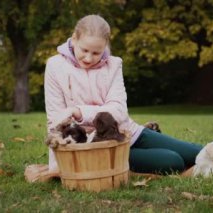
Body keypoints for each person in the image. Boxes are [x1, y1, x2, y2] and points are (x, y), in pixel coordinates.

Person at [44, 14, 202, 176]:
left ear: (105, 46)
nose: (89, 58)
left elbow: (118, 111)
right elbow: (56, 120)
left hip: (128, 132)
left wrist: (78, 112)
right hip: (96, 147)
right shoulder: (55, 66)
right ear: (74, 39)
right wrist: (59, 166)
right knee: (173, 161)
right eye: (84, 50)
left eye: (97, 53)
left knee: (196, 152)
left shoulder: (113, 65)